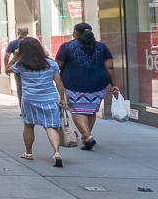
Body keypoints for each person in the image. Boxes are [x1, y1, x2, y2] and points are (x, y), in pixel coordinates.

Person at [55, 22, 119, 150]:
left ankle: (87, 136)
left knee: (77, 110)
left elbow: (58, 65)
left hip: (74, 83)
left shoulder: (67, 47)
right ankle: (86, 137)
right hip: (98, 83)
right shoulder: (101, 47)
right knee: (90, 110)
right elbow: (110, 67)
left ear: (75, 33)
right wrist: (114, 84)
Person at [11, 36, 68, 167]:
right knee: (50, 126)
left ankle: (28, 153)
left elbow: (8, 70)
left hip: (29, 99)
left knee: (29, 125)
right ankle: (56, 152)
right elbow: (59, 82)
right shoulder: (51, 63)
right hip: (49, 98)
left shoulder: (20, 65)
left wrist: (16, 56)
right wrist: (62, 98)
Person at [4, 26, 29, 114]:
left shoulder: (13, 43)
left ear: (18, 33)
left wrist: (6, 67)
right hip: (33, 68)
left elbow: (6, 56)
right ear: (28, 33)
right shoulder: (33, 42)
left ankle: (23, 109)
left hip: (19, 68)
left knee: (20, 88)